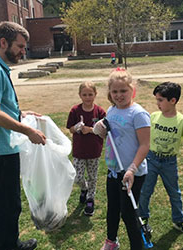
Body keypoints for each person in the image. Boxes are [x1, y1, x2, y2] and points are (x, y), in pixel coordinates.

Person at [0, 21, 46, 250]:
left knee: (9, 202)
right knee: (8, 203)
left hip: (3, 145)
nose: (24, 51)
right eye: (20, 47)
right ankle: (5, 246)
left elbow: (0, 105)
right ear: (3, 42)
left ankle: (10, 243)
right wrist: (28, 130)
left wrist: (22, 114)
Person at [93, 68, 150, 250]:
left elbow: (144, 145)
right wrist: (101, 131)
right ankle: (111, 241)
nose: (119, 95)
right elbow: (112, 138)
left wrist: (132, 169)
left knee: (128, 213)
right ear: (110, 93)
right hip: (114, 171)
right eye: (115, 91)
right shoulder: (111, 110)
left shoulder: (138, 114)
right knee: (113, 209)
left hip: (133, 172)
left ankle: (137, 246)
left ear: (132, 90)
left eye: (123, 90)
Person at [138, 82, 183, 237]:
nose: (157, 104)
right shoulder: (153, 116)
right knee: (145, 191)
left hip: (169, 162)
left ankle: (179, 220)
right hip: (151, 159)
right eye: (156, 100)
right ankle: (142, 219)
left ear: (173, 101)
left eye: (160, 100)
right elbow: (143, 138)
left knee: (174, 192)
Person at [66, 81, 106, 216]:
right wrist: (77, 127)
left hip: (94, 151)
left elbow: (104, 132)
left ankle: (90, 199)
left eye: (90, 94)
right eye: (84, 95)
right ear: (80, 95)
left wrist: (90, 130)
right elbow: (70, 128)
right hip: (79, 151)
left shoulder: (100, 111)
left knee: (93, 177)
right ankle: (84, 188)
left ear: (95, 94)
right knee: (77, 177)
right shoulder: (75, 110)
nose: (87, 97)